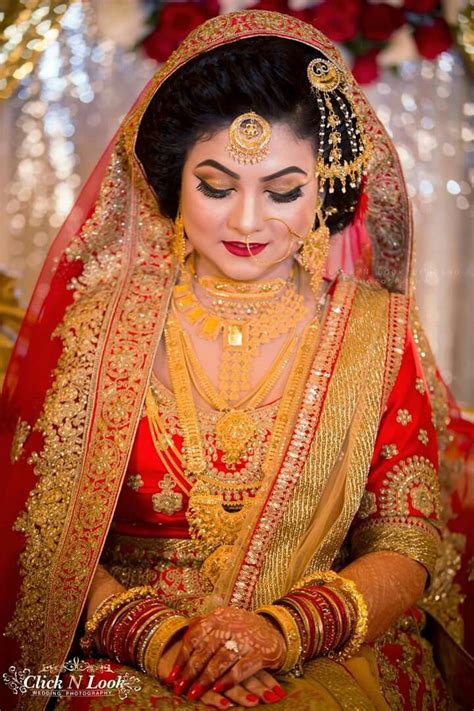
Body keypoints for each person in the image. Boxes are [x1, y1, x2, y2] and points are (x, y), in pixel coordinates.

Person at [0, 10, 470, 711]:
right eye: (217, 187)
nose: (248, 222)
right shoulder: (102, 325)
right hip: (125, 651)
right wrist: (156, 636)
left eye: (283, 191)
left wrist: (282, 632)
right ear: (172, 183)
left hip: (320, 649)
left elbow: (406, 538)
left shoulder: (373, 330)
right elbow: (38, 532)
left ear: (325, 191)